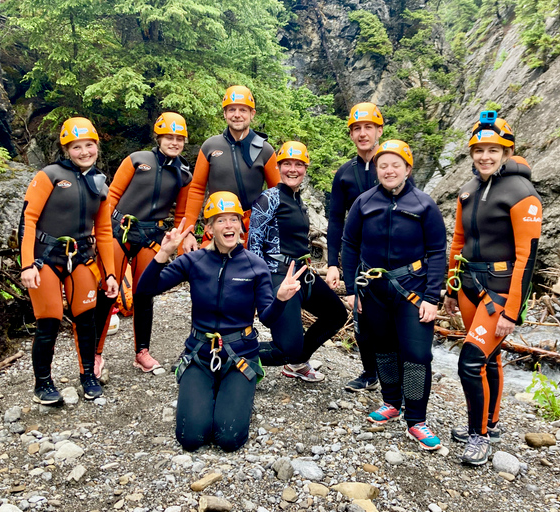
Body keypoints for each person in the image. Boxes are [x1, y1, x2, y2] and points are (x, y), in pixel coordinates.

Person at [136, 192, 305, 452]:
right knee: (190, 438)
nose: (229, 226)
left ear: (241, 225)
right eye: (221, 220)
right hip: (200, 354)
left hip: (240, 357)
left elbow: (269, 319)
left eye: (234, 219)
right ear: (210, 228)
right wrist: (163, 253)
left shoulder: (255, 265)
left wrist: (281, 298)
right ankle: (209, 389)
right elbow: (145, 291)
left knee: (229, 439)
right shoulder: (193, 262)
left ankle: (230, 390)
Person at [444, 110, 542, 465]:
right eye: (478, 150)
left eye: (493, 149)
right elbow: (458, 242)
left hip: (500, 290)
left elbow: (526, 258)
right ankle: (490, 422)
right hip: (469, 285)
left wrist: (512, 311)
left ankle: (479, 437)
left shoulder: (522, 193)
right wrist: (452, 288)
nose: (485, 156)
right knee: (489, 359)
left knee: (470, 362)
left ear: (507, 151)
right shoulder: (468, 190)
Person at [342, 140, 446, 451]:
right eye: (383, 165)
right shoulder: (363, 203)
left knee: (417, 355)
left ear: (407, 169)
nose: (389, 170)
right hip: (373, 289)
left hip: (412, 290)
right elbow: (349, 246)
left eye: (395, 165)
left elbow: (438, 252)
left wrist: (432, 297)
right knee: (384, 349)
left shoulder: (424, 205)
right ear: (376, 170)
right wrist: (351, 290)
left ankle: (416, 420)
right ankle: (390, 402)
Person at [19, 117, 118, 405]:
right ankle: (42, 384)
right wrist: (27, 264)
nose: (84, 151)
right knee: (48, 321)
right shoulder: (48, 176)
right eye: (77, 147)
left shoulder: (100, 183)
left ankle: (88, 375)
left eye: (89, 145)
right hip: (46, 258)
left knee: (86, 320)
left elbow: (103, 230)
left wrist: (110, 274)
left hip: (82, 258)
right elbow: (28, 220)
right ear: (66, 149)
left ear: (97, 146)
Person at [92, 112, 193, 375]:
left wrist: (180, 245)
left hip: (151, 236)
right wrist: (100, 232)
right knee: (108, 291)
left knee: (144, 293)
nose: (174, 142)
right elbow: (111, 195)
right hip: (120, 230)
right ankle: (95, 354)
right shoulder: (137, 160)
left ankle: (142, 353)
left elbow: (181, 215)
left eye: (179, 138)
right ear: (158, 137)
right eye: (169, 137)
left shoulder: (184, 174)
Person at [249, 141, 348, 382]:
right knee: (286, 350)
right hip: (278, 277)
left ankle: (297, 363)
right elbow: (254, 245)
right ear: (279, 167)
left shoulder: (298, 201)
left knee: (336, 314)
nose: (293, 169)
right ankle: (226, 353)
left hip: (302, 274)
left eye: (299, 165)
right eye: (287, 164)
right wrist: (260, 286)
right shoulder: (269, 198)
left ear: (305, 168)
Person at [175, 85, 280, 253]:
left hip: (253, 226)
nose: (237, 115)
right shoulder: (210, 146)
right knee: (208, 271)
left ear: (252, 114)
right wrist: (189, 231)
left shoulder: (265, 150)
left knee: (249, 275)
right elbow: (196, 189)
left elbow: (278, 194)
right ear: (224, 114)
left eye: (242, 110)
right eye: (231, 110)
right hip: (217, 222)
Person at [326, 102, 384, 392]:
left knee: (392, 316)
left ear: (379, 131)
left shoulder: (392, 165)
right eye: (357, 129)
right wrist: (333, 263)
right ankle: (369, 372)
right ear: (351, 134)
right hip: (358, 254)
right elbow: (336, 220)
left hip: (392, 255)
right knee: (362, 315)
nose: (363, 134)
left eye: (368, 128)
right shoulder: (344, 174)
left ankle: (393, 377)